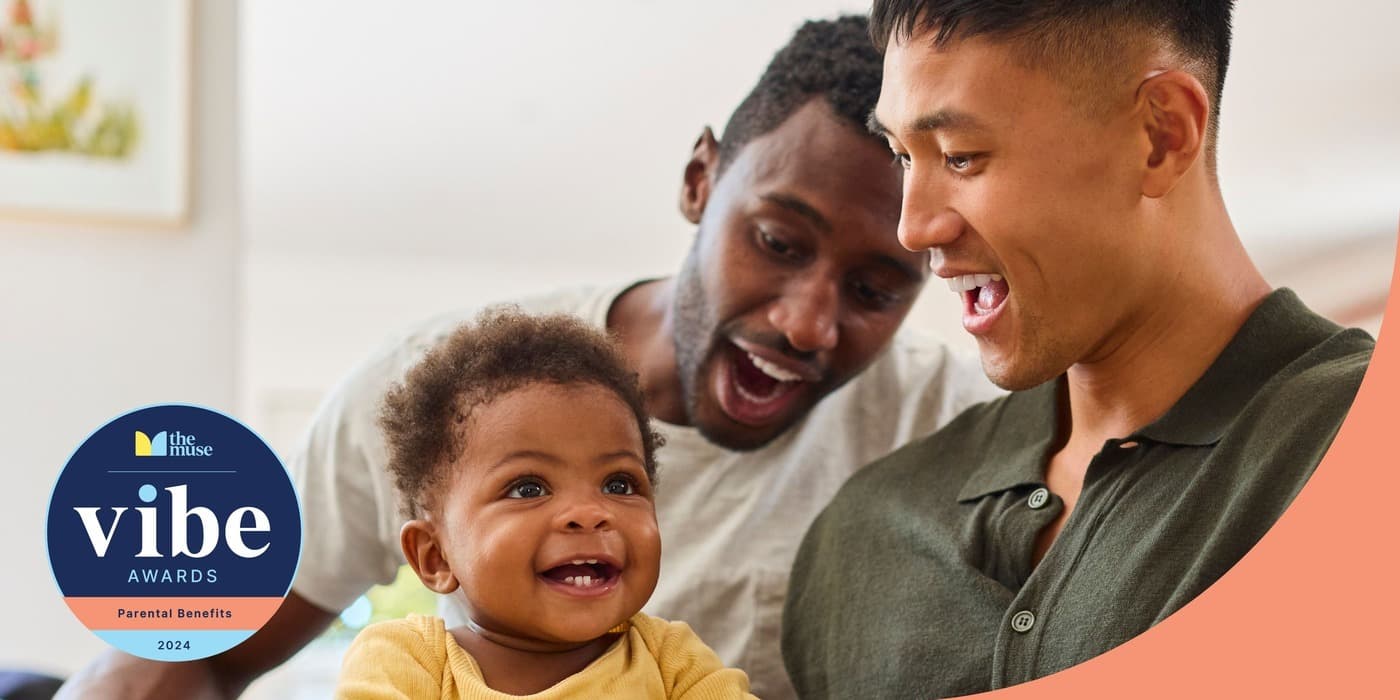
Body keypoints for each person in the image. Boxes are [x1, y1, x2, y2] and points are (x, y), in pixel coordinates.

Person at [58, 16, 996, 700]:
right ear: (700, 178)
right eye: (779, 243)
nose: (807, 325)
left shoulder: (958, 426)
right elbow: (179, 656)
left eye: (876, 288)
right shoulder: (439, 390)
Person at [781, 1, 1376, 697]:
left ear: (1160, 135)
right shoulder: (862, 535)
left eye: (961, 156)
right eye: (903, 156)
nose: (913, 228)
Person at [335, 310, 754, 699]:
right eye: (528, 489)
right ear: (435, 557)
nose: (590, 512)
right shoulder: (407, 663)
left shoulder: (673, 661)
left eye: (619, 484)